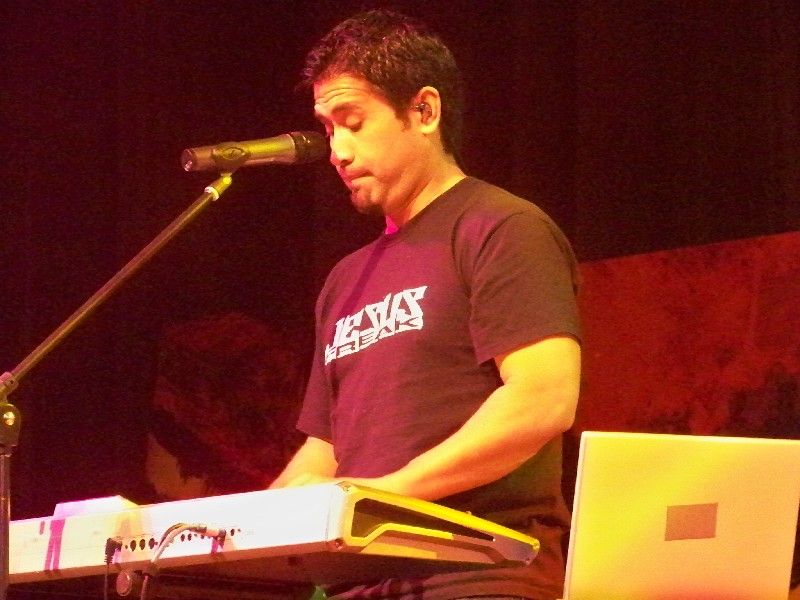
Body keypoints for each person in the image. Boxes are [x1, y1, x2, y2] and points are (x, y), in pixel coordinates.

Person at [270, 9, 581, 600]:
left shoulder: (501, 228)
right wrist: (244, 523)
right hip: (357, 582)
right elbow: (325, 449)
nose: (337, 151)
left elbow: (542, 398)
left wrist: (384, 495)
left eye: (353, 122)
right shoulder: (345, 279)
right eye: (329, 129)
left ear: (424, 111)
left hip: (477, 576)